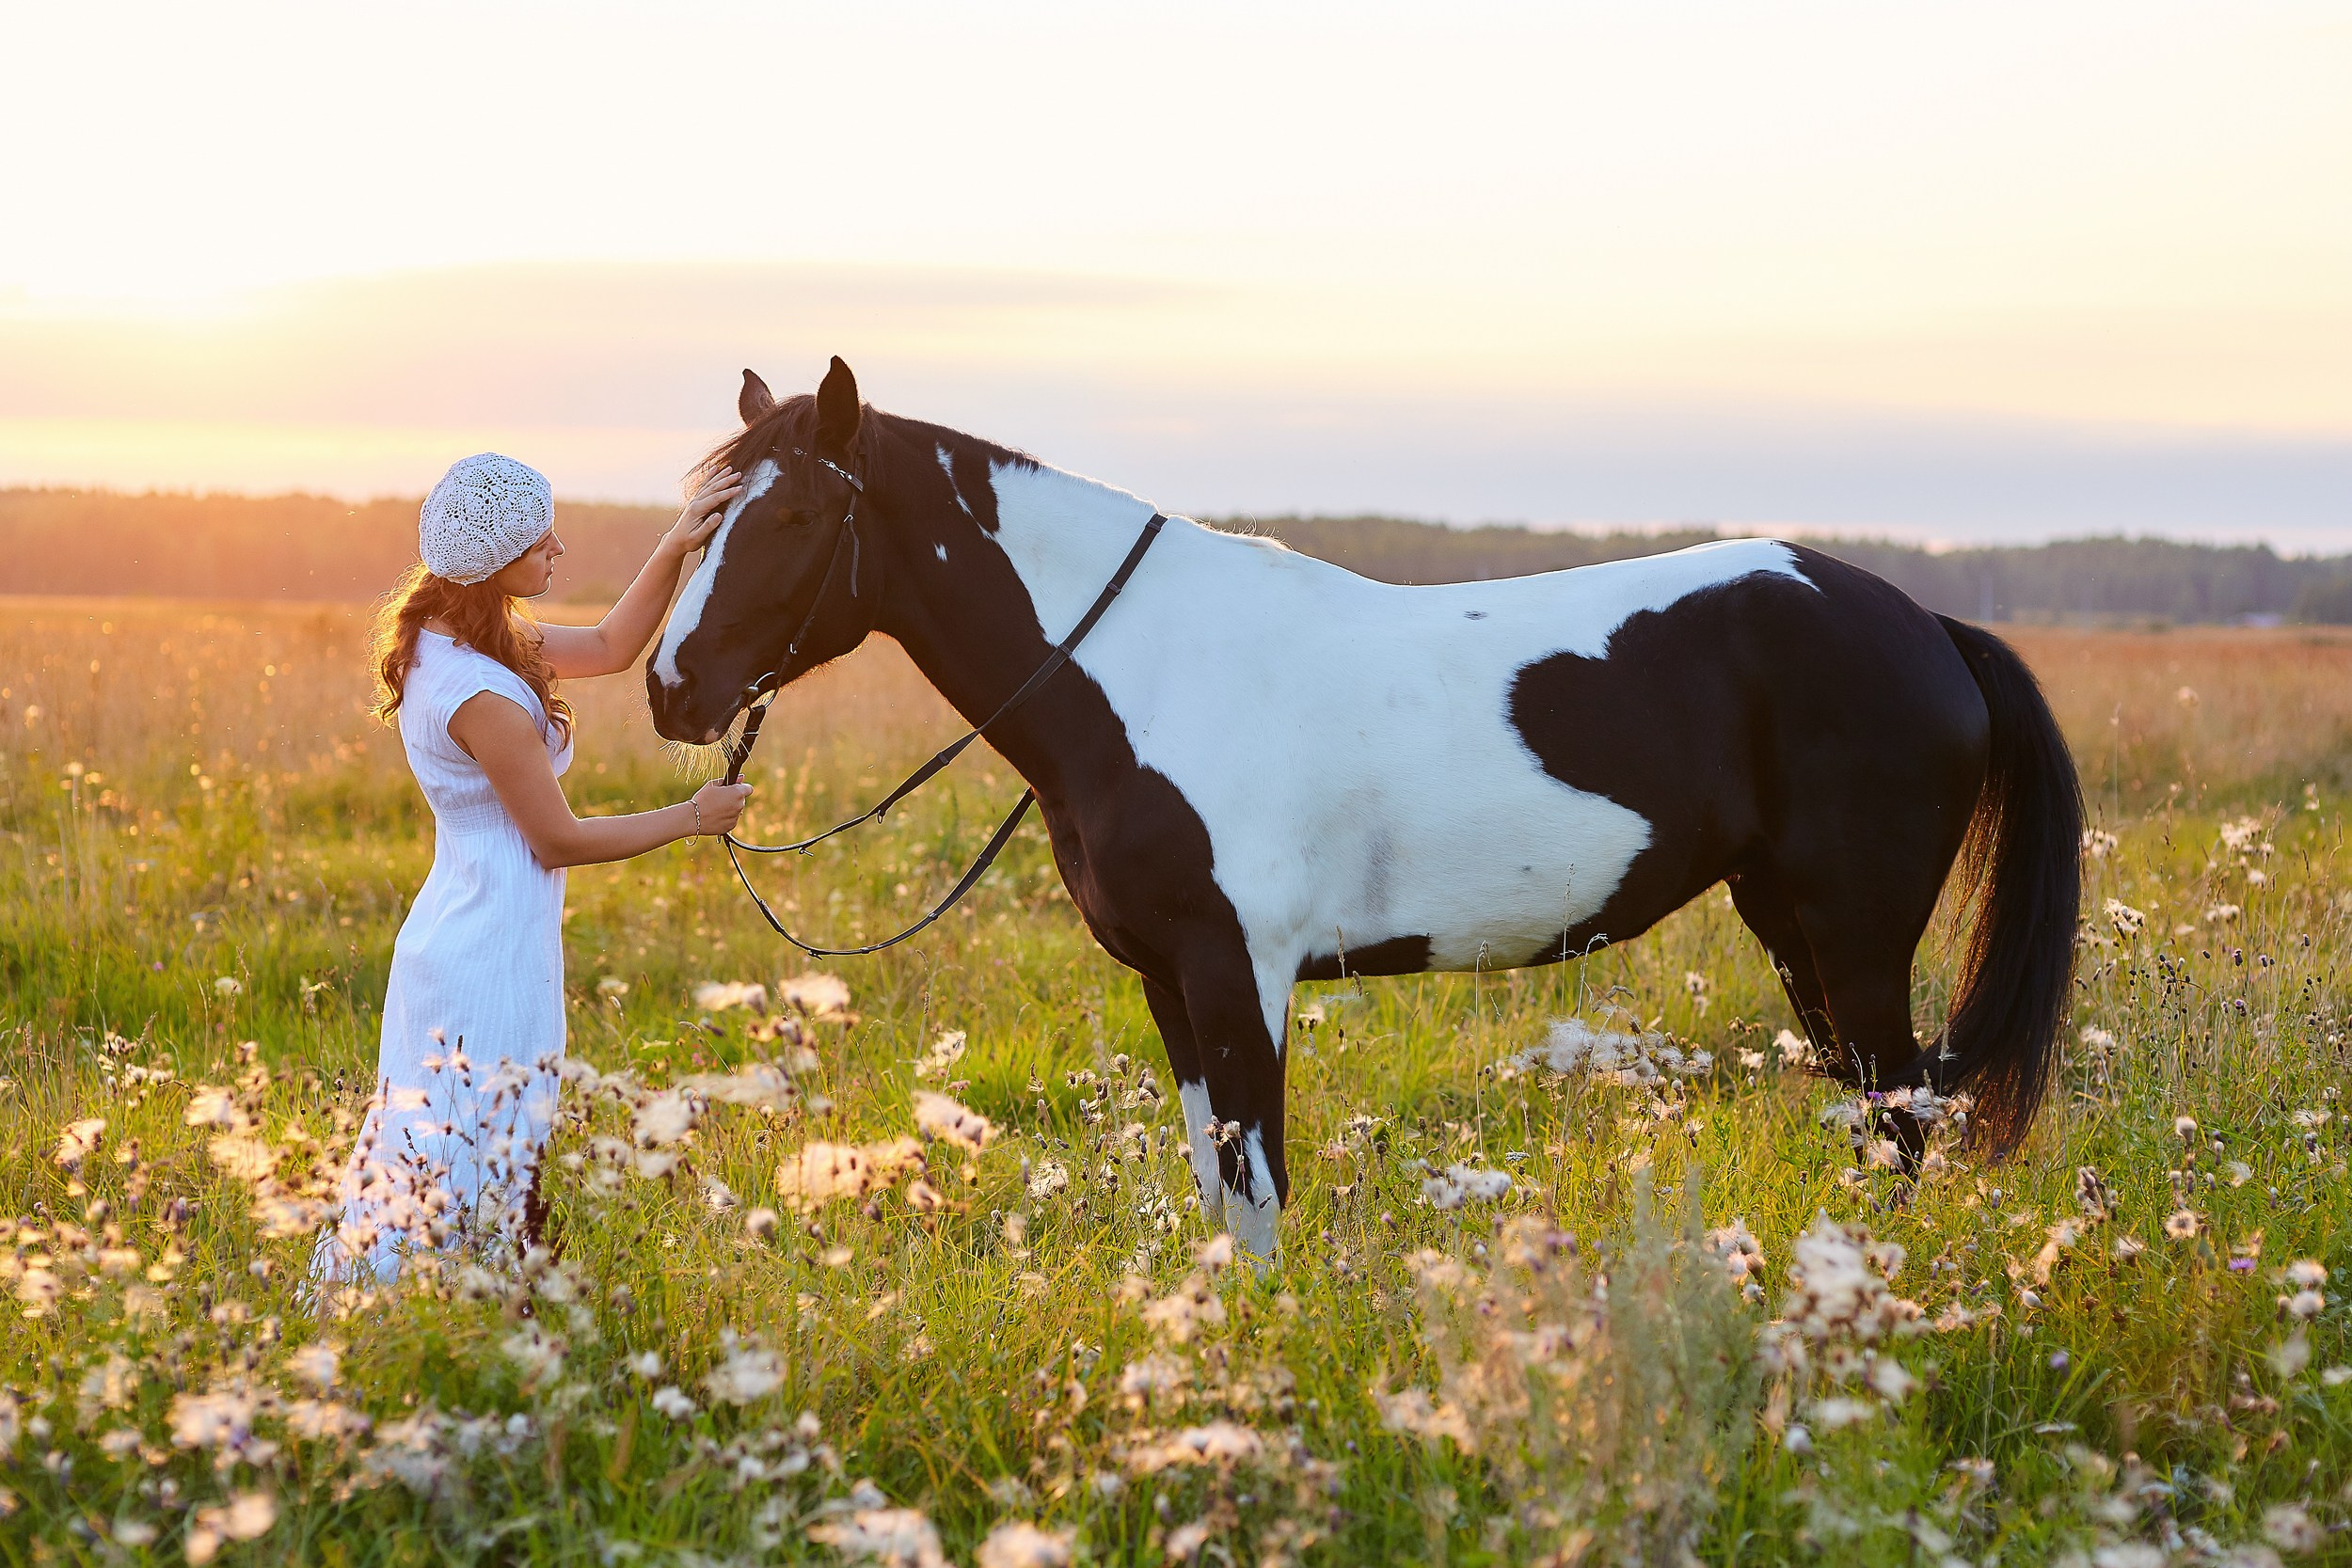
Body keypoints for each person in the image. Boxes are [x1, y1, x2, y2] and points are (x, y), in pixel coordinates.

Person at [318, 452, 751, 1283]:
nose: (558, 546)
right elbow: (556, 839)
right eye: (537, 539)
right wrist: (693, 818)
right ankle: (442, 1311)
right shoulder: (478, 690)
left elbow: (612, 645)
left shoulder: (459, 638)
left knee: (453, 1145)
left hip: (471, 924)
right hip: (483, 948)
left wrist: (676, 546)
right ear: (493, 563)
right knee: (473, 1145)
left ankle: (453, 1306)